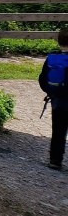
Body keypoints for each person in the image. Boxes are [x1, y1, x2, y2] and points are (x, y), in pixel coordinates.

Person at [38, 28, 68, 170]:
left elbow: (42, 79)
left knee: (58, 131)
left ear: (59, 41)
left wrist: (51, 91)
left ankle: (55, 161)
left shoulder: (51, 58)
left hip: (58, 101)